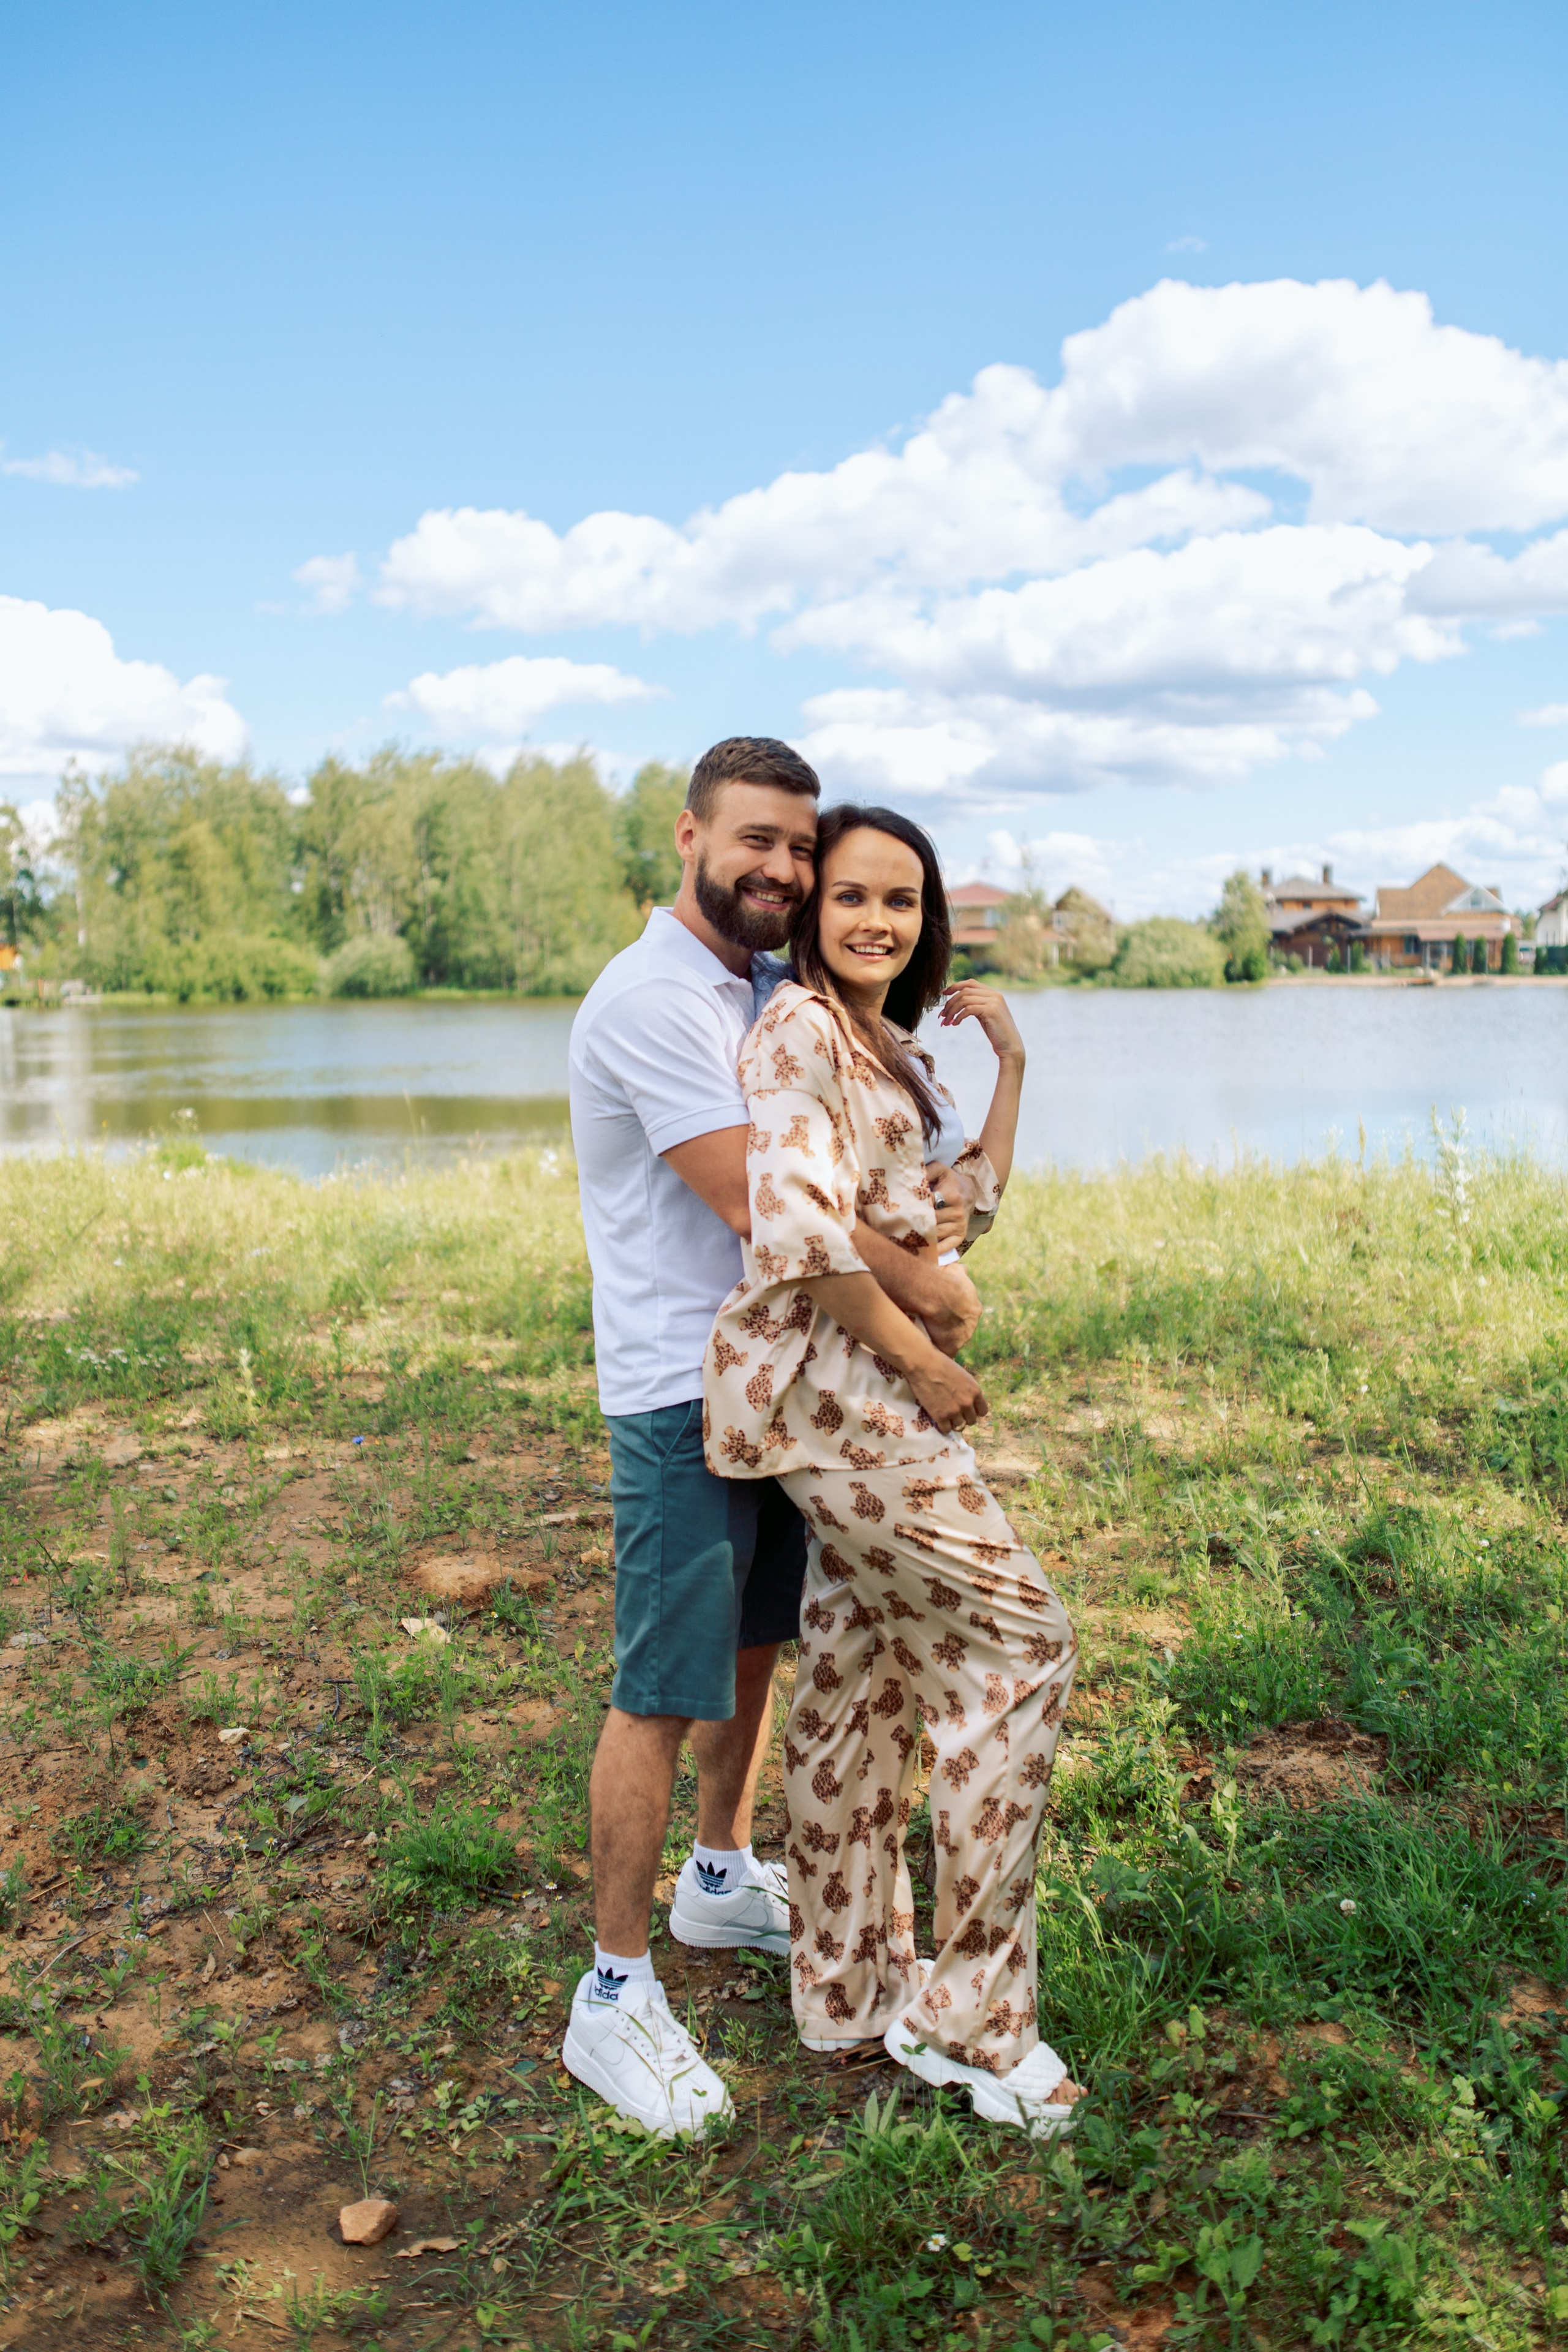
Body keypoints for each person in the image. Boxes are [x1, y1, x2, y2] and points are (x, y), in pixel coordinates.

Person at [562, 742, 985, 2138]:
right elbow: (763, 1198)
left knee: (756, 1641)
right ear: (687, 835)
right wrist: (916, 1294)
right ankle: (614, 1995)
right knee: (661, 1681)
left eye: (800, 851)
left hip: (782, 1379)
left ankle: (720, 1871)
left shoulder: (758, 985)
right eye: (756, 842)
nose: (783, 872)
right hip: (677, 1391)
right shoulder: (649, 1002)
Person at [703, 804, 1083, 2139]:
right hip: (841, 1403)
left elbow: (964, 1202)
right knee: (1020, 1643)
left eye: (902, 904)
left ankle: (849, 1992)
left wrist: (1011, 1069)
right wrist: (921, 1367)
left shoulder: (889, 1047)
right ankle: (972, 2026)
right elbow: (802, 1237)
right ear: (813, 913)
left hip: (854, 1400)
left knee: (855, 1686)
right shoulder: (798, 1031)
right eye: (854, 896)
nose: (877, 920)